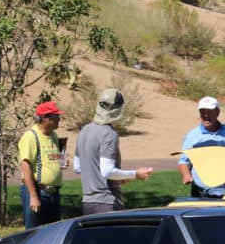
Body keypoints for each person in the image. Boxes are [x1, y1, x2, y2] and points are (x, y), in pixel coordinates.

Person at [74, 88, 153, 214]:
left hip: (88, 203)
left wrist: (117, 178)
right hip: (107, 203)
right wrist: (135, 174)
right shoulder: (109, 134)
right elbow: (107, 171)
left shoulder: (85, 130)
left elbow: (78, 167)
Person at [178, 96, 225, 197]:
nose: (206, 115)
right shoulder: (193, 135)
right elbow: (183, 161)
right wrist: (186, 175)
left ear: (217, 112)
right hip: (202, 188)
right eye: (202, 112)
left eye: (209, 112)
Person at [18, 100, 67, 229]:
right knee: (34, 235)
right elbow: (26, 166)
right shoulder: (30, 136)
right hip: (37, 191)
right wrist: (33, 196)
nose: (59, 120)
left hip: (53, 194)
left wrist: (60, 162)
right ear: (45, 119)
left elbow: (52, 157)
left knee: (53, 234)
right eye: (56, 117)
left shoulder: (54, 135)